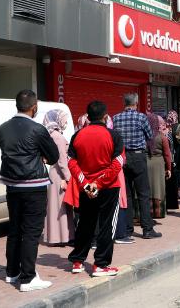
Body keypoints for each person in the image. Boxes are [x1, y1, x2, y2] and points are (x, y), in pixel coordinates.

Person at [0, 90, 59, 292]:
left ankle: (12, 272)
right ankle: (28, 278)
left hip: (11, 185)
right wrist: (42, 157)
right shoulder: (38, 129)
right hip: (33, 185)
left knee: (15, 229)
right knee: (32, 233)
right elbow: (53, 155)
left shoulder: (3, 128)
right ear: (34, 107)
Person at [67, 101, 124, 277]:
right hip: (108, 187)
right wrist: (97, 184)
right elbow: (118, 163)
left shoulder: (77, 135)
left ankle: (77, 260)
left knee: (85, 223)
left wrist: (85, 183)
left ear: (88, 116)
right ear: (105, 116)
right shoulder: (113, 135)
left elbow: (71, 162)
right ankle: (100, 264)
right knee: (107, 226)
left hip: (86, 188)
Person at [112, 93, 161, 239]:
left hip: (122, 157)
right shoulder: (141, 117)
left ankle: (128, 229)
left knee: (126, 195)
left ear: (124, 103)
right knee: (143, 194)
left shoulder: (115, 118)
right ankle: (147, 229)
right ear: (136, 103)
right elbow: (149, 135)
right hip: (138, 156)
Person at [42, 109, 74, 246]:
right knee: (61, 207)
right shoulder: (58, 137)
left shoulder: (50, 134)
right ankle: (63, 237)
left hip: (53, 173)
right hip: (60, 175)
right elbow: (62, 161)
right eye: (64, 119)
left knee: (54, 206)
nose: (66, 122)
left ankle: (55, 237)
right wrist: (69, 178)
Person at [146, 114, 172, 219]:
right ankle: (158, 212)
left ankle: (146, 212)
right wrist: (169, 168)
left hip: (146, 163)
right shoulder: (162, 137)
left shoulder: (145, 136)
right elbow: (167, 154)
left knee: (147, 188)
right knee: (158, 188)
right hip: (159, 165)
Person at [165, 111, 179, 211]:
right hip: (171, 158)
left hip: (170, 157)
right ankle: (172, 203)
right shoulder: (174, 129)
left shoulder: (166, 130)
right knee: (171, 181)